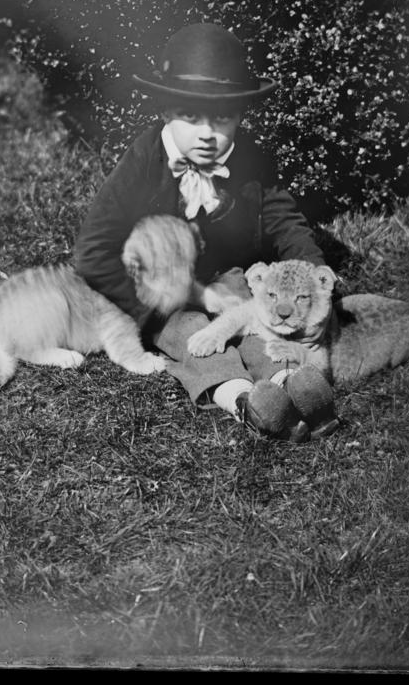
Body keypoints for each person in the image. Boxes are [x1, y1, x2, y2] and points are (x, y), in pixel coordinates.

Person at [73, 23, 340, 442]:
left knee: (258, 324)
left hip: (229, 277)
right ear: (165, 111)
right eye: (190, 117)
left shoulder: (251, 156)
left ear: (240, 116)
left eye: (222, 119)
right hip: (165, 288)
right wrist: (146, 299)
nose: (207, 134)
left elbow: (285, 222)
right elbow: (92, 251)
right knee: (188, 331)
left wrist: (315, 283)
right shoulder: (143, 160)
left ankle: (291, 382)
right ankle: (242, 399)